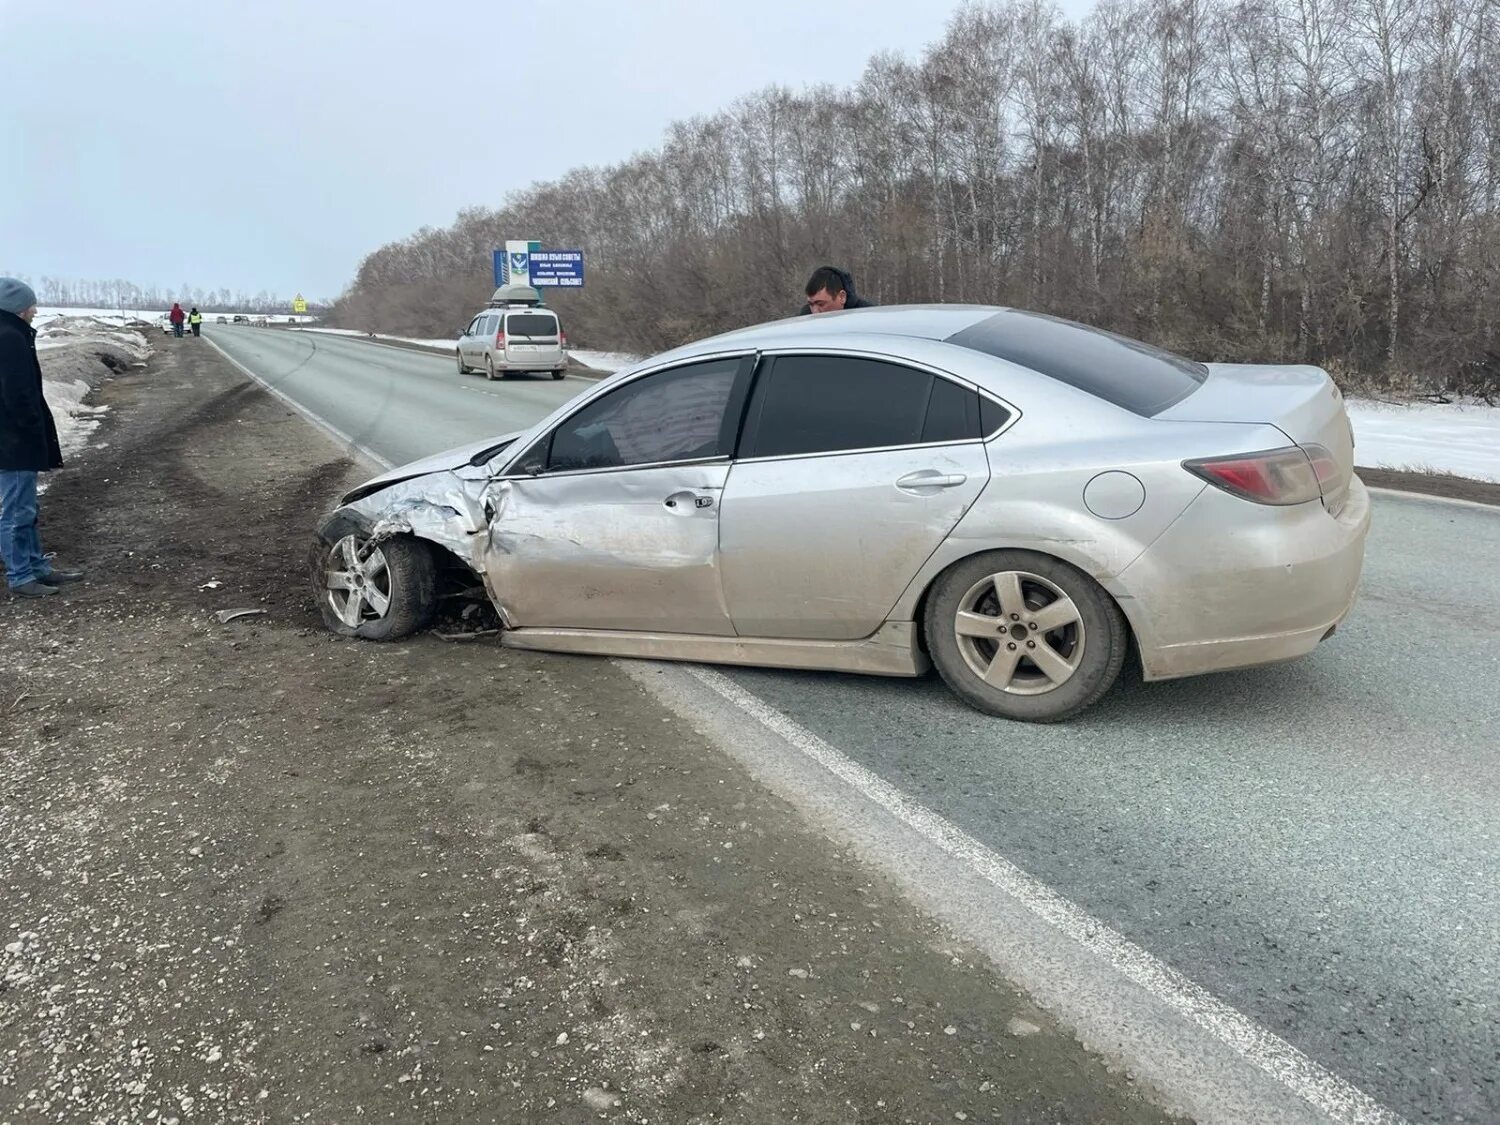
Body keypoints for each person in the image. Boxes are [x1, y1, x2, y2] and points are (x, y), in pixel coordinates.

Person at [0, 278, 85, 599]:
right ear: (18, 307)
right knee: (17, 512)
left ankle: (37, 568)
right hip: (14, 442)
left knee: (27, 508)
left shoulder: (13, 334)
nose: (35, 311)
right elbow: (17, 394)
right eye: (31, 305)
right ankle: (20, 575)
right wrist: (32, 427)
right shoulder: (9, 337)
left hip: (14, 439)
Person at [797, 265, 876, 315]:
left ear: (842, 297)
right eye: (811, 304)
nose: (815, 312)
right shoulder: (805, 317)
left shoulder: (867, 315)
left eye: (821, 304)